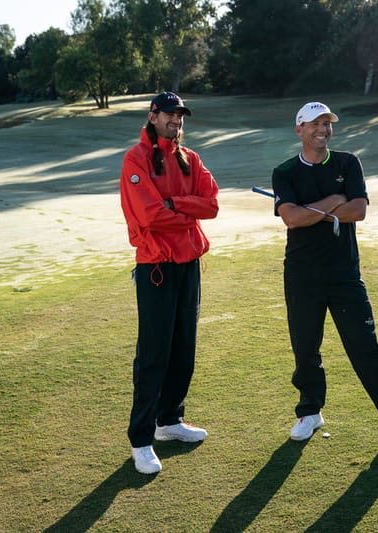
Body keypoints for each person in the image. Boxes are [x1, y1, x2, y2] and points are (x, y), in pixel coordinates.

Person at [270, 101, 378, 449]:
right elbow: (291, 219)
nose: (323, 129)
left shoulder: (348, 162)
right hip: (302, 274)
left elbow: (358, 210)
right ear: (299, 129)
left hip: (344, 272)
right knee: (305, 348)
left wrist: (314, 208)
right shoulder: (285, 171)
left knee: (366, 347)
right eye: (315, 123)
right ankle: (309, 412)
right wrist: (334, 200)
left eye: (328, 123)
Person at [119, 92, 220, 474]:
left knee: (184, 349)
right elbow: (148, 214)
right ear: (153, 115)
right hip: (156, 265)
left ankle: (169, 421)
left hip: (188, 263)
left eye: (180, 116)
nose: (176, 121)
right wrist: (184, 206)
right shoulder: (136, 159)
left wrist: (173, 204)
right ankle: (141, 439)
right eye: (169, 115)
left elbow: (211, 204)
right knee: (154, 353)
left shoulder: (190, 157)